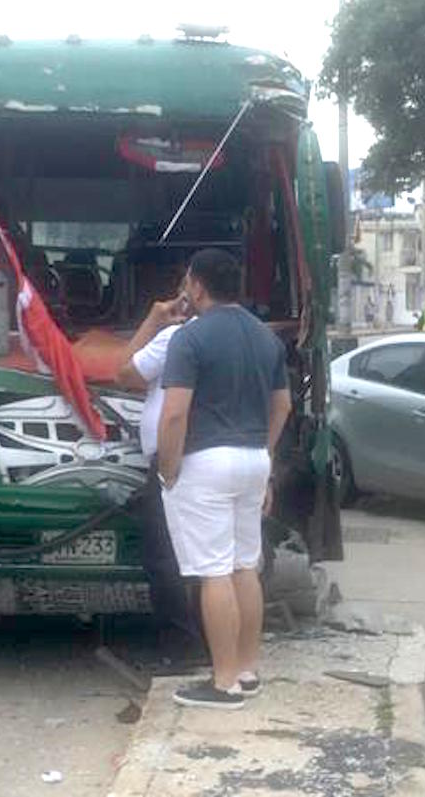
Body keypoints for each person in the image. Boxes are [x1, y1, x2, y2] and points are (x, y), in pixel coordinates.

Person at [156, 248, 291, 710]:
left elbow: (174, 414)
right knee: (244, 566)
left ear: (196, 286)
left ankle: (224, 682)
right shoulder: (264, 337)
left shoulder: (188, 339)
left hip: (206, 463)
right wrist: (266, 456)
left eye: (187, 282)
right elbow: (283, 407)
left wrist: (168, 467)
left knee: (213, 571)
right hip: (255, 458)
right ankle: (247, 669)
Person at [116, 291, 205, 661]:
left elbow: (124, 374)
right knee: (210, 558)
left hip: (174, 457)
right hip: (216, 454)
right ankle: (214, 644)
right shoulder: (241, 337)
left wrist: (153, 320)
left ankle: (180, 647)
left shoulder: (176, 338)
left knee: (162, 555)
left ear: (195, 291)